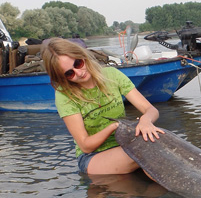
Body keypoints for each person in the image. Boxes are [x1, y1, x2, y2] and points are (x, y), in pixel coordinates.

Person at [42, 38, 164, 175]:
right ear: (62, 78)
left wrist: (145, 121)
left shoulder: (112, 75)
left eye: (78, 63)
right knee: (146, 151)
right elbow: (85, 145)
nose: (79, 73)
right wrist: (115, 126)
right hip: (93, 156)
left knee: (158, 146)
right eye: (69, 74)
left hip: (125, 144)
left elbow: (151, 110)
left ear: (82, 56)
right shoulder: (64, 95)